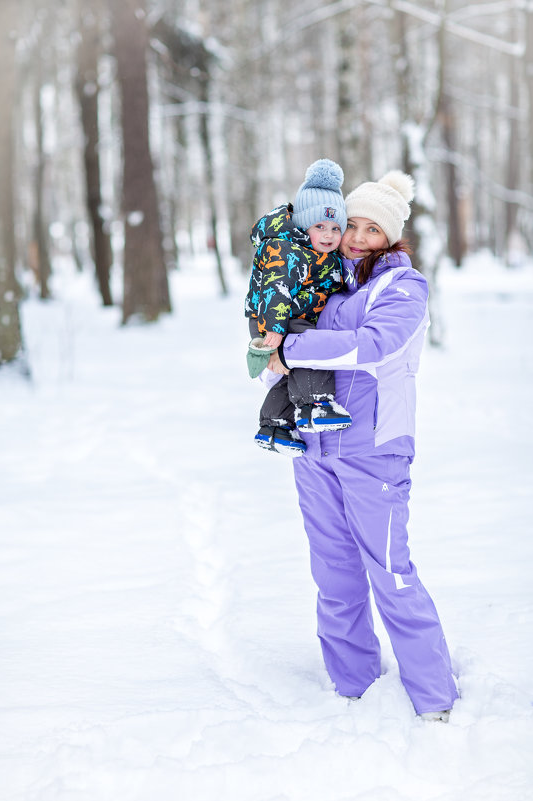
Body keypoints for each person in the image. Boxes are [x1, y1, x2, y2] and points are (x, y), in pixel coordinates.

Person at [268, 170, 459, 721]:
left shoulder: (403, 287)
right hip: (315, 446)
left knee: (390, 572)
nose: (355, 237)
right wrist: (271, 357)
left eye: (371, 229)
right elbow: (278, 357)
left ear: (391, 237)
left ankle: (434, 698)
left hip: (374, 449)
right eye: (349, 224)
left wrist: (295, 344)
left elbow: (373, 346)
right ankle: (352, 688)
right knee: (334, 573)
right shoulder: (322, 285)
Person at [244, 159, 352, 458]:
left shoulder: (323, 253)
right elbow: (275, 291)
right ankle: (315, 405)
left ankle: (275, 425)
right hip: (274, 317)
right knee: (311, 348)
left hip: (291, 317)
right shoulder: (286, 248)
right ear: (303, 224)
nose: (329, 234)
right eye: (320, 226)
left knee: (292, 369)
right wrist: (274, 333)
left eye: (335, 227)